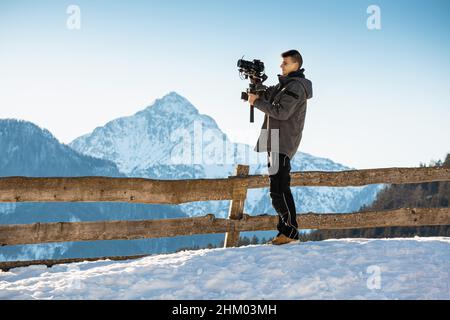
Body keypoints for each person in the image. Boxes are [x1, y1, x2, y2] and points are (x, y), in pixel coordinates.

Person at [248, 49, 313, 245]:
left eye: (285, 63)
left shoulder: (296, 87)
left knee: (278, 189)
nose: (281, 66)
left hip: (282, 141)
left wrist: (256, 102)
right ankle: (284, 233)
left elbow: (281, 112)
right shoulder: (284, 86)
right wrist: (255, 83)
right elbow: (268, 95)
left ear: (296, 65)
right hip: (275, 140)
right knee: (279, 188)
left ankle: (291, 233)